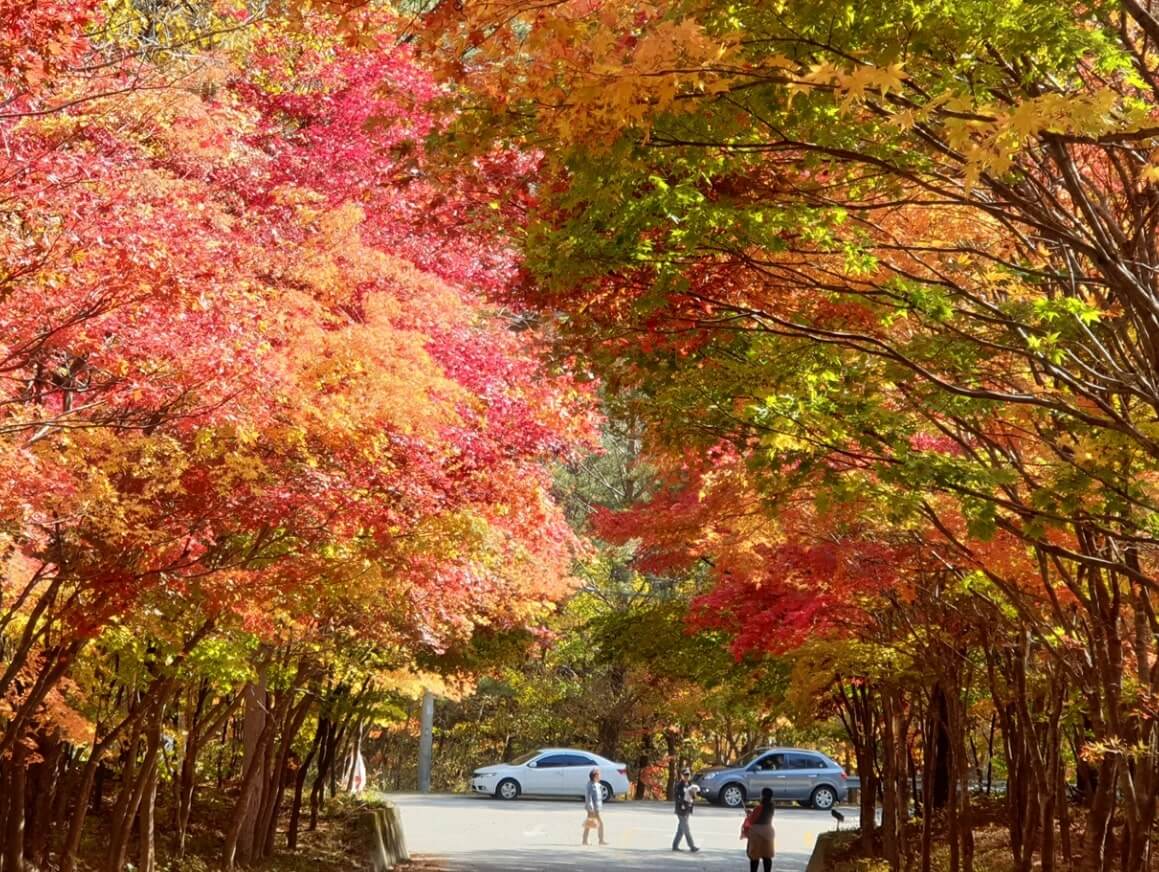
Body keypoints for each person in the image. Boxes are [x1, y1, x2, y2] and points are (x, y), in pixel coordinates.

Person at [741, 787, 775, 872]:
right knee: (767, 856)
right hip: (768, 831)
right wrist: (752, 813)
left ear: (762, 796)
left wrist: (749, 814)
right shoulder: (771, 807)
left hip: (757, 833)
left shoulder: (759, 808)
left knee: (754, 857)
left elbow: (752, 820)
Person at [672, 768, 700, 853]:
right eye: (685, 775)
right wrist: (683, 803)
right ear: (682, 775)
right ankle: (692, 846)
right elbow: (677, 797)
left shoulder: (691, 785)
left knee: (681, 829)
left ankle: (675, 845)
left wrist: (694, 794)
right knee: (686, 829)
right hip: (681, 809)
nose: (686, 776)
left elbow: (694, 797)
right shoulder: (679, 785)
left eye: (688, 775)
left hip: (688, 809)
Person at [582, 768, 607, 846]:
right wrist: (591, 808)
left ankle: (585, 840)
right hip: (592, 808)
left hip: (596, 808)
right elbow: (588, 797)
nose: (600, 776)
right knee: (599, 823)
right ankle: (601, 840)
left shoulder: (597, 784)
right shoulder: (590, 785)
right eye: (599, 774)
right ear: (595, 776)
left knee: (589, 823)